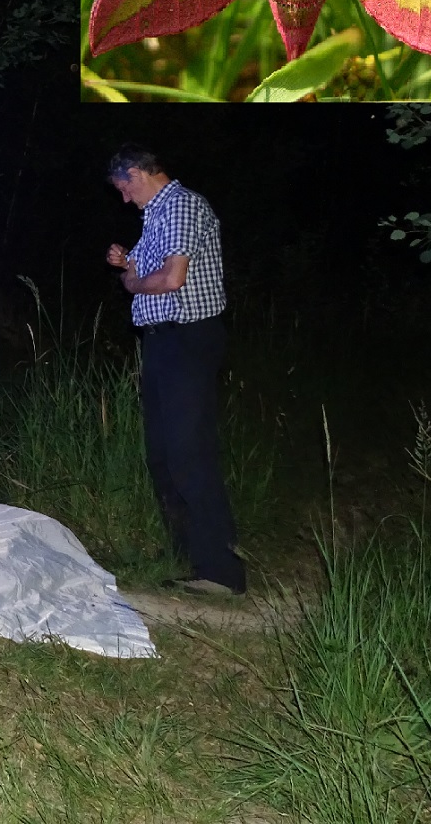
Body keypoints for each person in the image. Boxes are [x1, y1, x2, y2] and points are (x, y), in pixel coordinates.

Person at [105, 144, 244, 597]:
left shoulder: (182, 205)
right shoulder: (157, 216)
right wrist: (129, 263)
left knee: (188, 453)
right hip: (164, 342)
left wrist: (131, 280)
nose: (124, 198)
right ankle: (190, 557)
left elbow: (171, 279)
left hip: (188, 339)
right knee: (163, 455)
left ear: (139, 173)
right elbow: (152, 270)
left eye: (124, 187)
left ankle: (221, 571)